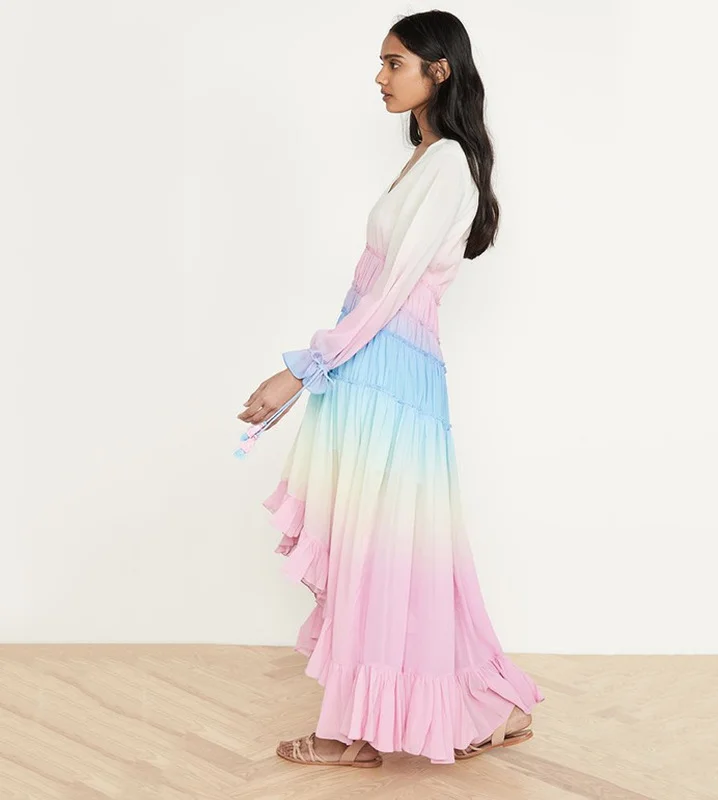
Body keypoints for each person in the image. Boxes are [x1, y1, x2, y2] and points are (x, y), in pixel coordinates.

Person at [235, 10, 545, 767]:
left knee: (384, 551)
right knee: (392, 551)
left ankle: (350, 735)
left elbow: (389, 292)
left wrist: (299, 370)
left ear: (440, 70)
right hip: (374, 372)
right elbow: (373, 291)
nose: (380, 77)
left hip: (389, 378)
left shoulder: (447, 167)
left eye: (394, 62)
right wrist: (320, 370)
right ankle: (475, 708)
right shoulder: (428, 157)